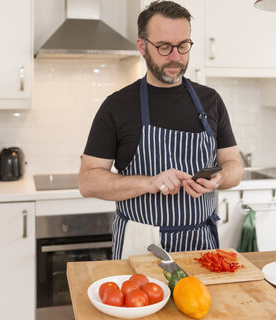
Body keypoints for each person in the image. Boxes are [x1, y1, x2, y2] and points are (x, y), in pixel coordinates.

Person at [78, 0, 243, 259]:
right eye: (165, 47)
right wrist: (149, 182)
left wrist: (218, 180)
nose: (176, 56)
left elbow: (234, 165)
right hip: (142, 245)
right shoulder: (117, 106)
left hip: (201, 244)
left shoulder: (210, 100)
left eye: (183, 45)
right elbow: (87, 182)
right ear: (142, 46)